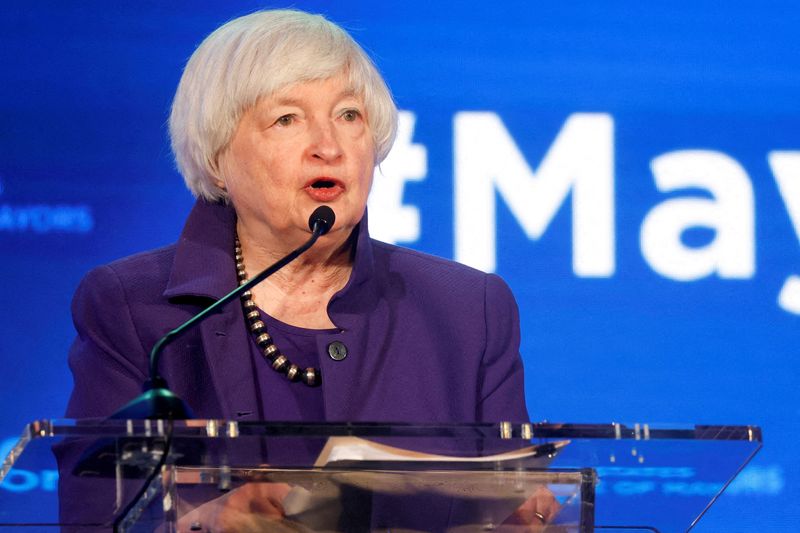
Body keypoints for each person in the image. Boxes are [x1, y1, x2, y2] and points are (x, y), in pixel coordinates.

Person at [62, 8, 547, 530]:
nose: (329, 147)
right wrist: (207, 522)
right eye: (287, 119)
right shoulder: (135, 309)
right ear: (217, 158)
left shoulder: (468, 310)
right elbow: (98, 514)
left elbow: (515, 499)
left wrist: (528, 517)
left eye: (349, 115)